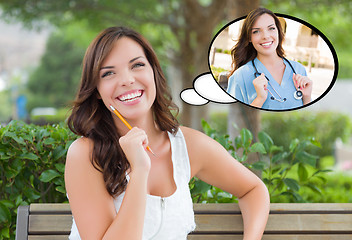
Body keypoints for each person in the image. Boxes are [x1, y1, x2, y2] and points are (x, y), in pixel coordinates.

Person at [65, 26, 270, 240]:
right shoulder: (86, 154)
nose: (126, 80)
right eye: (108, 73)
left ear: (154, 71)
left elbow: (253, 190)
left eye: (137, 65)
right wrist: (139, 169)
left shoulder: (188, 145)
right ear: (96, 90)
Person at [226, 8, 313, 110]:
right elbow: (233, 120)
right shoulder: (240, 76)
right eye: (256, 31)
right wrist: (259, 99)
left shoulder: (299, 70)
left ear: (278, 31)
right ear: (249, 38)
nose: (266, 36)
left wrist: (307, 97)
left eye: (271, 28)